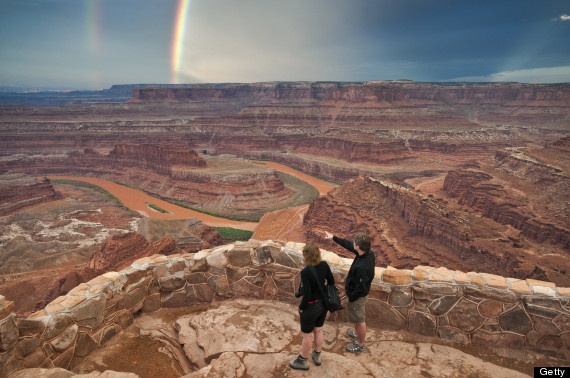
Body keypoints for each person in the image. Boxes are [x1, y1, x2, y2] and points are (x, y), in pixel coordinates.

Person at [324, 231, 375, 353]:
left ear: (358, 246)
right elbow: (347, 245)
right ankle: (355, 333)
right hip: (357, 296)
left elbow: (361, 288)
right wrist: (333, 237)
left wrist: (351, 297)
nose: (352, 243)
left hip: (358, 297)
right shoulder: (367, 253)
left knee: (359, 320)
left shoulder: (363, 266)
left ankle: (360, 344)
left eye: (354, 243)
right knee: (356, 318)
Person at [289, 241, 335, 370]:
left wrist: (302, 307)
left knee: (307, 334)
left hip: (311, 307)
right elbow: (331, 281)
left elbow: (307, 295)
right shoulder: (324, 265)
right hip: (323, 304)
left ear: (306, 256)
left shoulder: (306, 272)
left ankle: (303, 360)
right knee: (318, 330)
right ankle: (317, 355)